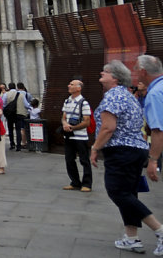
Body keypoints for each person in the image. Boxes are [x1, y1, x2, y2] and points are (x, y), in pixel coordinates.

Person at [91, 60, 163, 254]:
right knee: (129, 193)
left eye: (104, 72)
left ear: (114, 78)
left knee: (118, 192)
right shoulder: (128, 96)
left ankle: (159, 230)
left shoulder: (112, 96)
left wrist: (95, 148)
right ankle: (131, 237)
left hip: (121, 150)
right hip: (137, 150)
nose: (101, 73)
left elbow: (108, 127)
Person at [134, 55, 163, 185]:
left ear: (143, 72)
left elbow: (158, 130)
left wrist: (153, 160)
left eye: (136, 69)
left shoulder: (155, 94)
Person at [62, 79, 93, 192]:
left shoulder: (84, 103)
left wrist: (73, 128)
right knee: (69, 159)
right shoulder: (67, 101)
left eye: (71, 84)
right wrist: (65, 124)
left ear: (78, 88)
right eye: (69, 83)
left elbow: (87, 122)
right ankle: (75, 182)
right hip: (68, 136)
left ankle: (87, 184)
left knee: (84, 160)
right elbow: (63, 116)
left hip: (80, 136)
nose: (68, 85)